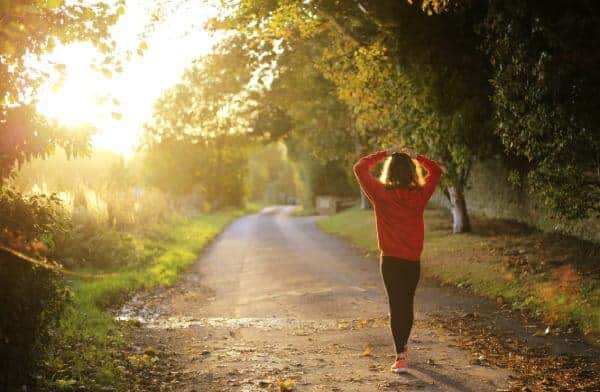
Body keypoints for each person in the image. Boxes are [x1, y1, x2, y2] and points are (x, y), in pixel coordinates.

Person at [353, 145, 443, 373]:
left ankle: (400, 355)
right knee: (407, 303)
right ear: (412, 172)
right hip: (412, 261)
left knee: (396, 305)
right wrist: (417, 156)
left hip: (390, 261)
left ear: (390, 171)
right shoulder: (420, 195)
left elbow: (360, 167)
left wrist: (385, 152)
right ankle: (403, 348)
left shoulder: (381, 194)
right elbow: (437, 171)